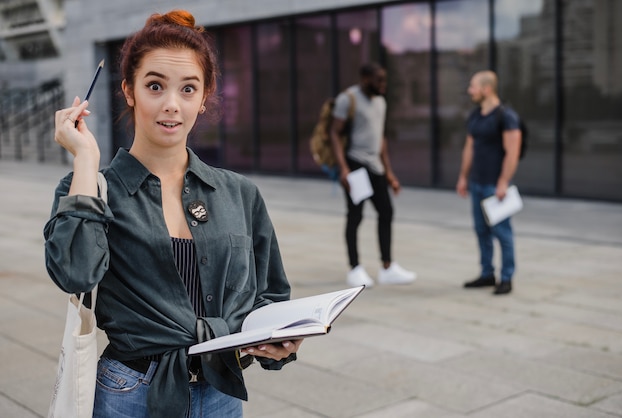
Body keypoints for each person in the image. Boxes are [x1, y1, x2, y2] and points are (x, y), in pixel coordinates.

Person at [44, 10, 301, 418]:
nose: (171, 105)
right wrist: (86, 160)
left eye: (187, 89)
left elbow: (270, 293)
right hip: (130, 392)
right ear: (128, 90)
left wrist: (278, 340)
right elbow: (74, 274)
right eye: (154, 86)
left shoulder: (238, 193)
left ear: (204, 97)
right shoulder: (91, 187)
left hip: (222, 392)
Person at [329, 62, 416, 288]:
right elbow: (334, 134)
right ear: (365, 79)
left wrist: (390, 173)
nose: (383, 85)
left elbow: (381, 139)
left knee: (386, 211)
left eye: (385, 80)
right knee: (355, 215)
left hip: (375, 166)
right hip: (355, 165)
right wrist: (344, 168)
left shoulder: (381, 101)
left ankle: (387, 267)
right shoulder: (348, 99)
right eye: (379, 80)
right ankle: (355, 268)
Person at [456, 70, 522, 295]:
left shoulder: (506, 116)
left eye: (473, 86)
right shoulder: (475, 116)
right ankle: (487, 274)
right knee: (481, 231)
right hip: (476, 183)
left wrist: (503, 182)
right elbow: (469, 148)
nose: (470, 91)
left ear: (487, 88)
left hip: (495, 187)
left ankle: (506, 278)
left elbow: (512, 153)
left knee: (503, 233)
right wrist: (463, 176)